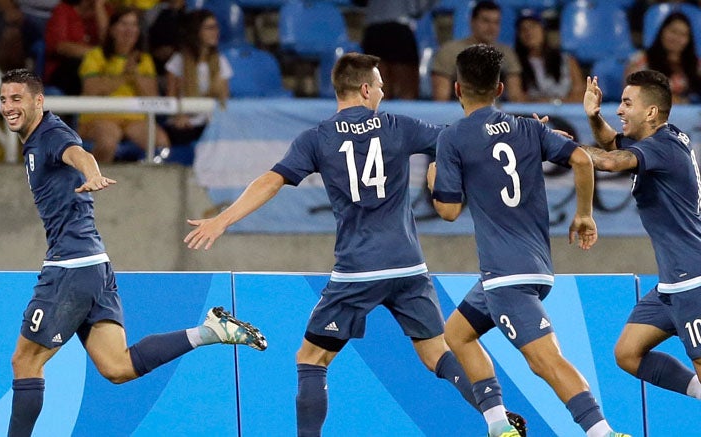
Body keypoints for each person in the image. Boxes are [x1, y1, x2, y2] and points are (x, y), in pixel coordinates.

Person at [184, 52, 526, 437]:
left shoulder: (317, 138)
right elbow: (463, 136)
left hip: (358, 269)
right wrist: (525, 134)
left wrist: (222, 219)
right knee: (436, 354)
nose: (382, 92)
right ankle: (496, 418)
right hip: (409, 267)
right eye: (379, 86)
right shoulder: (399, 126)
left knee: (311, 358)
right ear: (365, 89)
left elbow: (271, 180)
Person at [0, 68, 267, 437]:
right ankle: (209, 332)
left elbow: (77, 154)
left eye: (17, 99)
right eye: (4, 99)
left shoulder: (51, 133)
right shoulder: (36, 138)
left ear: (38, 101)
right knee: (116, 367)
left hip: (70, 267)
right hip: (94, 266)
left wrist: (91, 172)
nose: (9, 107)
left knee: (24, 361)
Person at [427, 44, 629, 437]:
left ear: (456, 89)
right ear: (501, 88)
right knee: (456, 334)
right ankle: (498, 424)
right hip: (527, 266)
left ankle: (602, 432)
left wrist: (437, 184)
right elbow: (583, 159)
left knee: (544, 360)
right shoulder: (530, 127)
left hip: (506, 275)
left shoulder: (454, 138)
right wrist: (584, 214)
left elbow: (449, 212)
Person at [581, 71, 701, 405]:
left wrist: (549, 144)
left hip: (694, 282)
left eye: (626, 102)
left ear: (650, 112)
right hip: (671, 284)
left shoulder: (662, 148)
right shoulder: (662, 140)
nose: (618, 110)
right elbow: (612, 145)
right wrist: (593, 117)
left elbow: (608, 160)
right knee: (628, 353)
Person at [77, 7, 170, 162]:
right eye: (124, 24)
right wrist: (126, 75)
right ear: (112, 30)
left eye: (133, 25)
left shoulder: (144, 60)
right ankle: (94, 183)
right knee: (107, 142)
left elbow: (152, 96)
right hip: (100, 117)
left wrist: (135, 76)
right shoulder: (95, 56)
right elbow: (92, 89)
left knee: (161, 144)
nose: (129, 30)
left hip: (134, 119)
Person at [162, 8, 232, 149]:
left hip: (209, 122)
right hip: (185, 122)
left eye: (216, 27)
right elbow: (171, 95)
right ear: (196, 31)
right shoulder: (178, 61)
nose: (216, 32)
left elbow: (224, 99)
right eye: (210, 28)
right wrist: (178, 116)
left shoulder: (220, 61)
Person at [430, 1, 524, 102]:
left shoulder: (507, 54)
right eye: (486, 21)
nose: (491, 27)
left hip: (496, 114)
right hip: (458, 113)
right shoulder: (449, 51)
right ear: (472, 21)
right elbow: (441, 98)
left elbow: (515, 96)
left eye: (496, 22)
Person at [354, 0, 439, 100]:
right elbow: (418, 9)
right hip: (398, 30)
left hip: (373, 29)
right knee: (406, 93)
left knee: (379, 91)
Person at [624, 11, 701, 104]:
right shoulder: (640, 60)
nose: (677, 38)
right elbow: (630, 94)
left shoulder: (696, 64)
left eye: (683, 34)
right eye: (673, 31)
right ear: (662, 32)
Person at [514, 9, 586, 103]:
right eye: (523, 29)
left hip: (565, 114)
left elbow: (580, 94)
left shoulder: (566, 60)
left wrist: (554, 102)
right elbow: (517, 97)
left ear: (543, 30)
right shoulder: (514, 63)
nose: (528, 32)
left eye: (533, 26)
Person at [43, 0, 110, 95]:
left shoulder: (105, 11)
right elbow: (60, 46)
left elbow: (110, 42)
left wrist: (99, 7)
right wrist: (97, 54)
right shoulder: (63, 10)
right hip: (64, 67)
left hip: (98, 66)